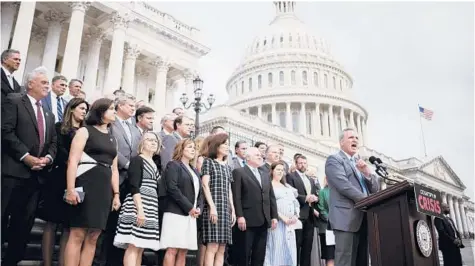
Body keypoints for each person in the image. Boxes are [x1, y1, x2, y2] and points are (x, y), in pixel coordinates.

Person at [1, 66, 57, 266]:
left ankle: (12, 260)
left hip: (36, 178)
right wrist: (25, 156)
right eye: (43, 83)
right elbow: (6, 131)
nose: (47, 86)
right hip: (12, 173)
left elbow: (53, 143)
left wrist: (48, 159)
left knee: (24, 224)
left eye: (48, 83)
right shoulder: (14, 101)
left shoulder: (49, 114)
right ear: (30, 83)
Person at [64, 98, 121, 266]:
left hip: (104, 189)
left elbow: (115, 168)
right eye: (111, 109)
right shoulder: (84, 131)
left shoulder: (113, 139)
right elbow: (73, 160)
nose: (114, 112)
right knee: (77, 233)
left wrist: (116, 194)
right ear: (101, 111)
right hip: (86, 182)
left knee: (94, 235)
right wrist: (70, 188)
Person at [38, 98, 89, 266]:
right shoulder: (60, 127)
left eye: (86, 109)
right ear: (72, 109)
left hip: (79, 178)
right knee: (51, 222)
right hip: (59, 177)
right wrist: (71, 159)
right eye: (81, 108)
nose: (84, 111)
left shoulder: (86, 131)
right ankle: (46, 262)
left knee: (69, 225)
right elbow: (57, 149)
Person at [95, 93, 141, 266]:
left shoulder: (135, 129)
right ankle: (100, 261)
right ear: (120, 106)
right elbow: (112, 147)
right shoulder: (111, 124)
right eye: (130, 105)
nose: (133, 108)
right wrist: (128, 164)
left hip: (130, 182)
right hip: (113, 177)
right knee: (106, 224)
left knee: (121, 225)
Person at [325, 128, 380, 266]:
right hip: (345, 219)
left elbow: (375, 189)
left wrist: (367, 172)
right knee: (345, 261)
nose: (355, 140)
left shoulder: (359, 163)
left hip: (363, 218)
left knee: (362, 261)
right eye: (350, 138)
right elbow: (343, 185)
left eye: (356, 138)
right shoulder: (334, 160)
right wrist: (367, 201)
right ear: (341, 142)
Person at [114, 132, 162, 266]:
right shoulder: (137, 160)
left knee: (140, 247)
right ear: (142, 143)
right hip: (137, 204)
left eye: (155, 141)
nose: (153, 143)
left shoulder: (154, 163)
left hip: (151, 204)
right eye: (149, 140)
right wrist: (140, 209)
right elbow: (134, 185)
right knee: (133, 245)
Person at [232, 147, 278, 266]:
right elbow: (237, 197)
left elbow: (270, 197)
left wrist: (274, 216)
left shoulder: (265, 174)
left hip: (264, 220)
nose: (260, 156)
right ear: (248, 157)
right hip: (247, 220)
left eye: (260, 155)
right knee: (243, 254)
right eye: (256, 155)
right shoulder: (239, 172)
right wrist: (239, 216)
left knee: (259, 255)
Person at [161, 138, 203, 266]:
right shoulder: (173, 165)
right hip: (176, 213)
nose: (193, 150)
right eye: (189, 147)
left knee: (183, 251)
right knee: (172, 249)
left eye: (194, 148)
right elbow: (172, 188)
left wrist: (199, 208)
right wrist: (189, 207)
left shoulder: (195, 170)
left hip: (191, 215)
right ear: (181, 149)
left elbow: (200, 193)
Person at [201, 134, 236, 266]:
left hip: (225, 209)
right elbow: (205, 185)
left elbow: (229, 189)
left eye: (228, 144)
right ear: (217, 145)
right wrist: (212, 207)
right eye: (224, 144)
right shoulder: (208, 162)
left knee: (222, 248)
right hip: (213, 207)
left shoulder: (227, 167)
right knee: (212, 246)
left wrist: (232, 210)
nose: (227, 147)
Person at [264, 161, 300, 266]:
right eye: (278, 169)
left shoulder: (287, 186)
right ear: (272, 171)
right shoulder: (269, 185)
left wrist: (295, 216)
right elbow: (270, 203)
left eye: (282, 170)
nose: (280, 172)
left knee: (289, 248)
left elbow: (295, 203)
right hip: (277, 222)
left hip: (290, 224)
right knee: (276, 247)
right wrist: (282, 217)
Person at [286, 155, 319, 266]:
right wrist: (305, 198)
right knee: (297, 245)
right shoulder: (290, 176)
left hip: (310, 216)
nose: (303, 165)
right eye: (300, 163)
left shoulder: (310, 179)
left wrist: (315, 198)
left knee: (307, 247)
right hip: (298, 215)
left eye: (305, 163)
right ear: (296, 164)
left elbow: (314, 194)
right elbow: (291, 193)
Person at [317, 176, 335, 266]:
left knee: (340, 255)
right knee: (330, 256)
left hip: (340, 228)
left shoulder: (339, 192)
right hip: (327, 229)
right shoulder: (322, 192)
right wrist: (332, 220)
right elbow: (322, 209)